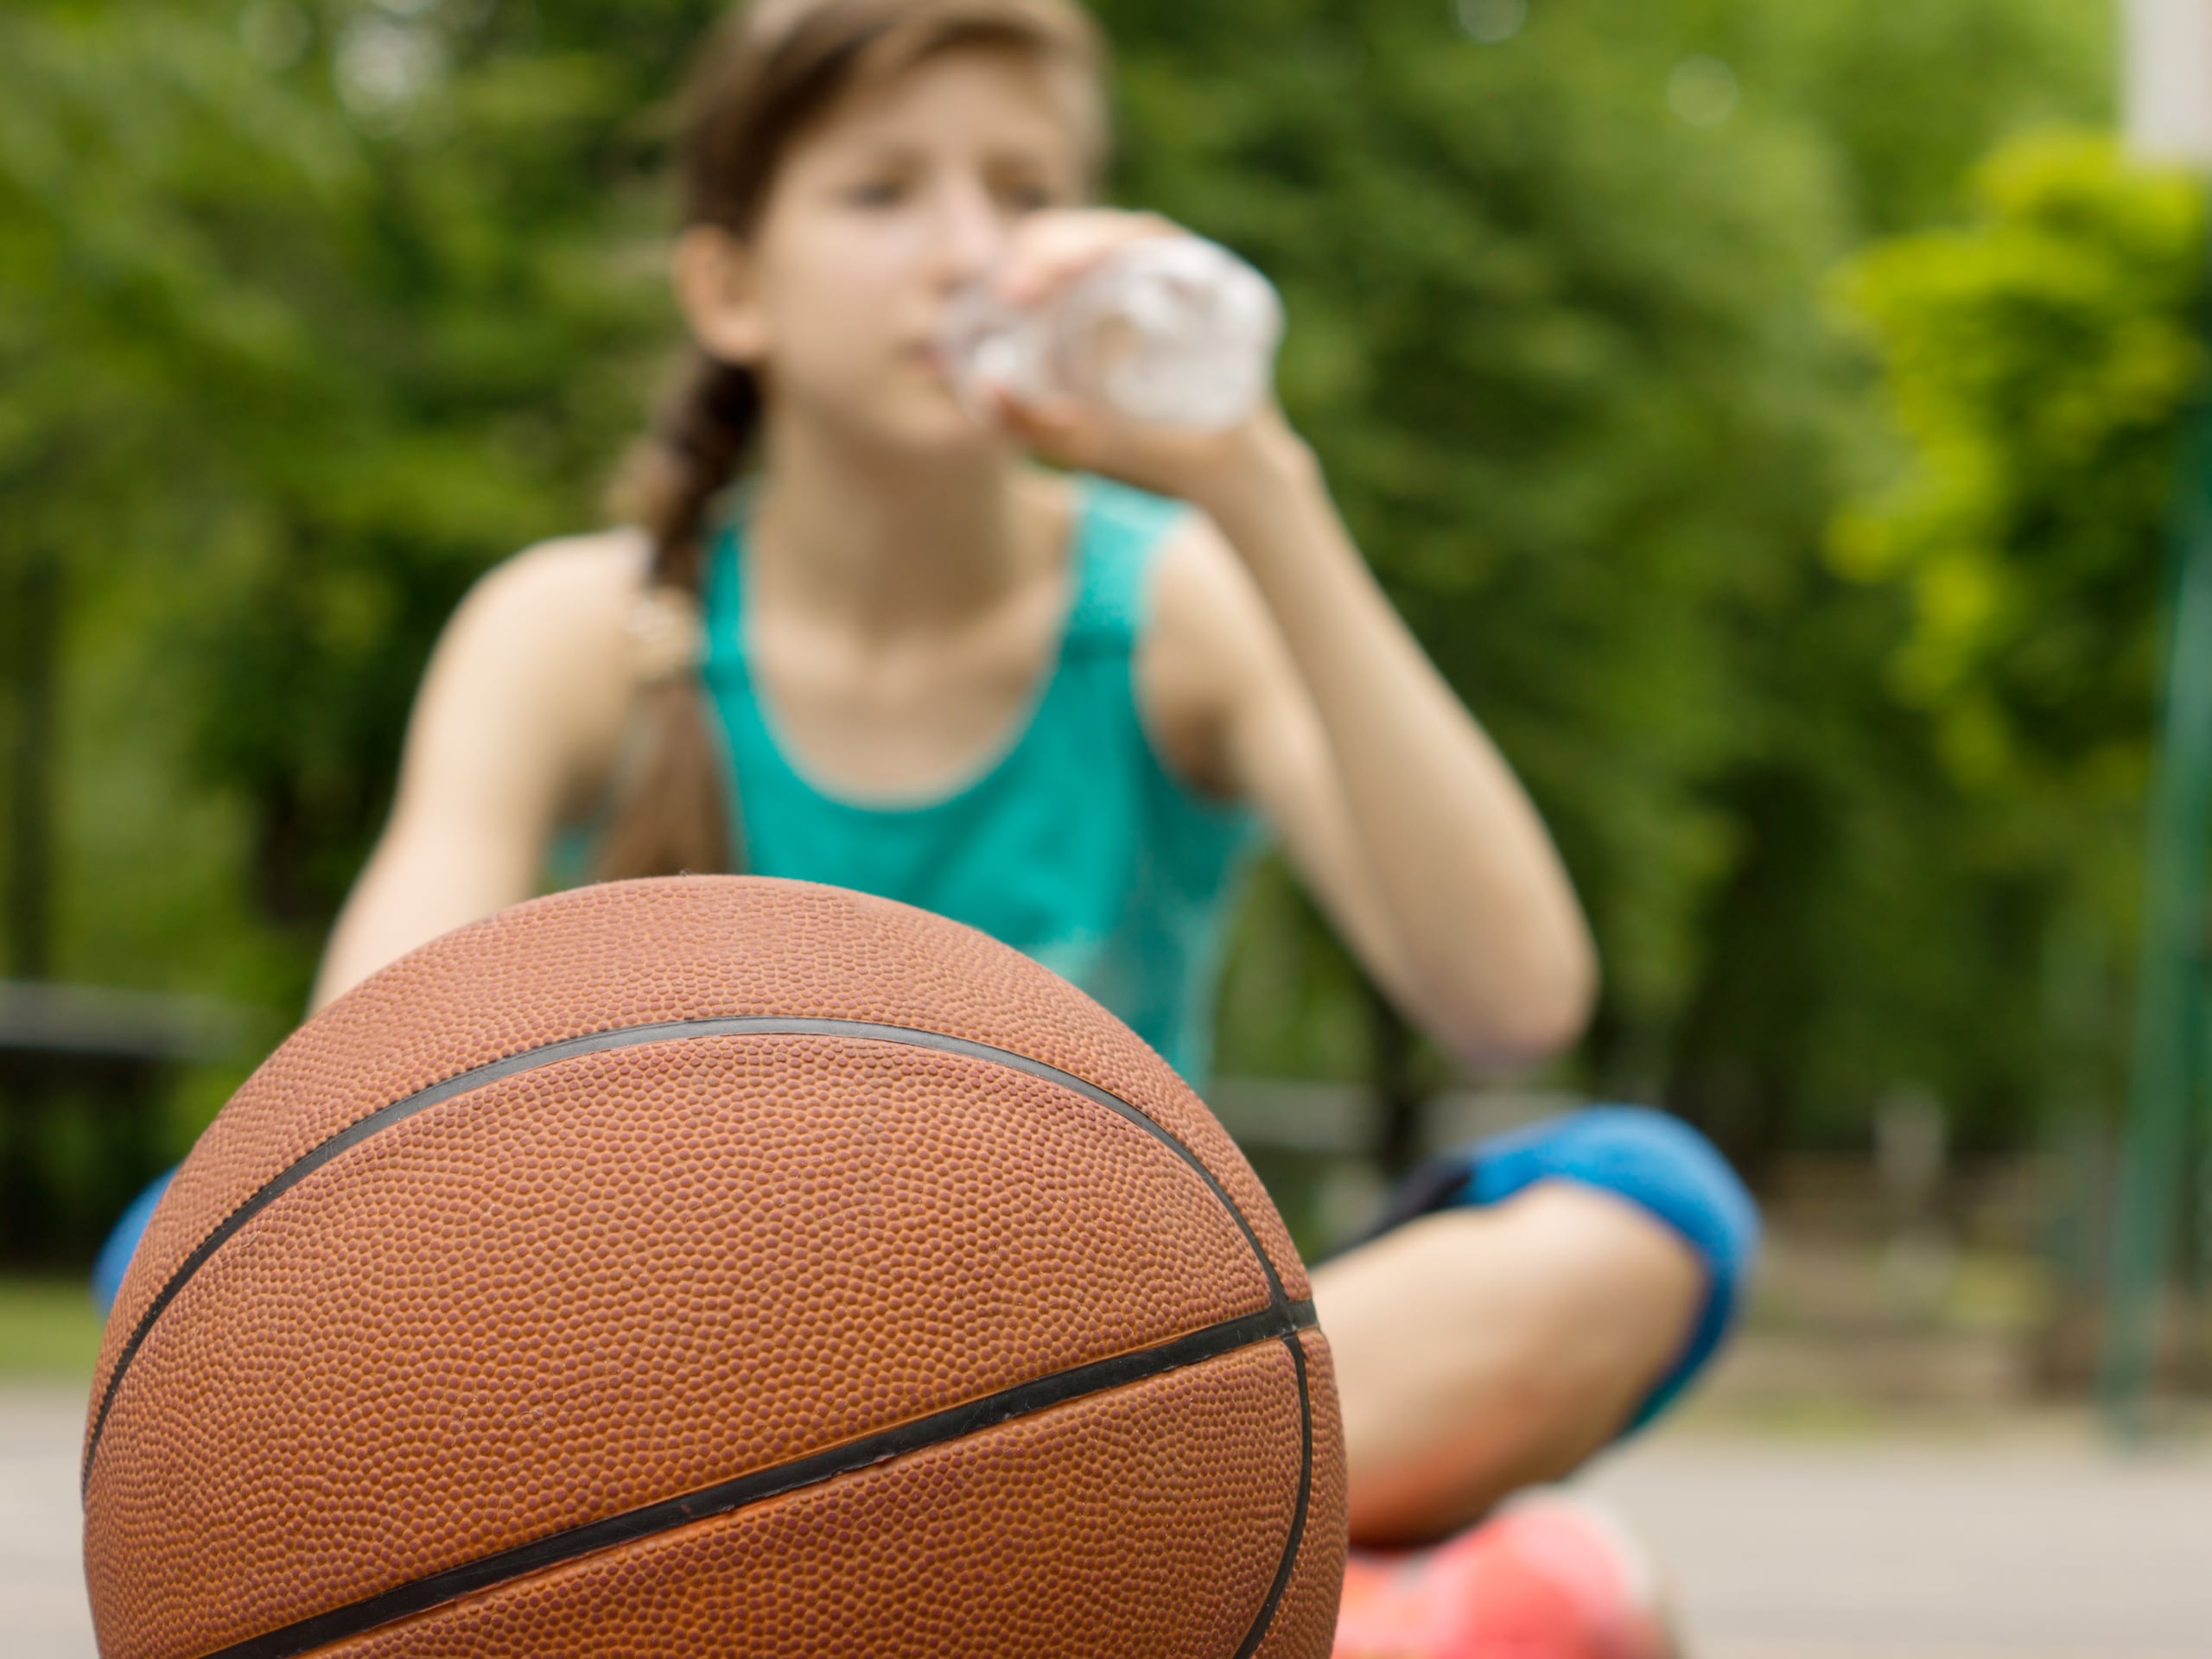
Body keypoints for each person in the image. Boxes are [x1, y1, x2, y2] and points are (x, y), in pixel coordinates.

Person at [104, 3, 1758, 1652]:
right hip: (657, 1372)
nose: (970, 250)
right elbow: (353, 1086)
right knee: (199, 1268)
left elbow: (1514, 995)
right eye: (883, 191)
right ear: (731, 288)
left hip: (1076, 1353)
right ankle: (1210, 1574)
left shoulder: (1171, 605)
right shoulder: (576, 629)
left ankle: (944, 1537)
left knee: (1639, 1206)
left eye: (1027, 192)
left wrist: (1261, 481)